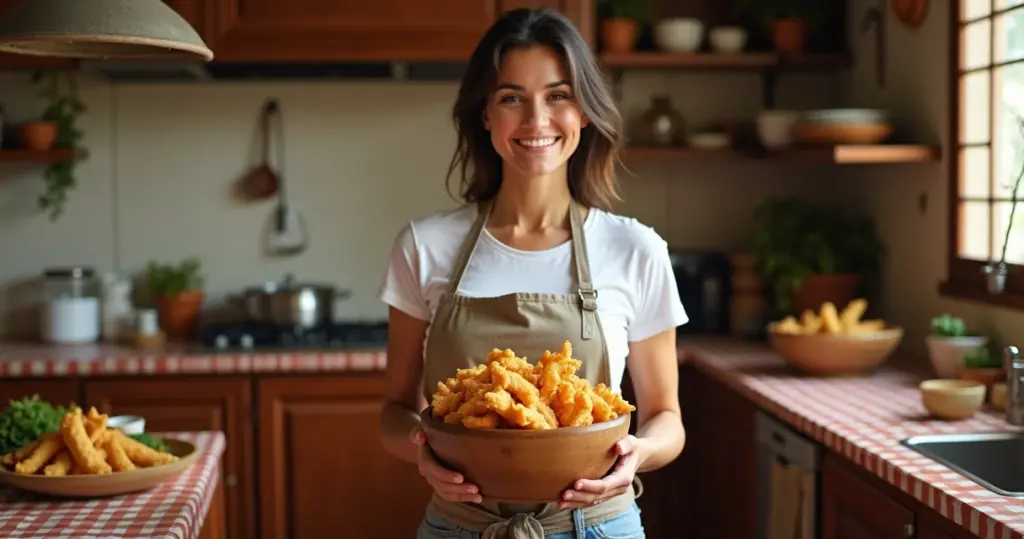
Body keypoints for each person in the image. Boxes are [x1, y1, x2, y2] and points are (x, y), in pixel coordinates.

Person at [378, 7, 688, 539]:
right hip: (457, 527)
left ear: (585, 112)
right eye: (511, 98)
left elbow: (666, 418)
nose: (536, 120)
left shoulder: (636, 249)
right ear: (484, 114)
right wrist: (421, 451)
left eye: (559, 96)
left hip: (598, 525)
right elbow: (394, 412)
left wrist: (638, 454)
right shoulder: (424, 247)